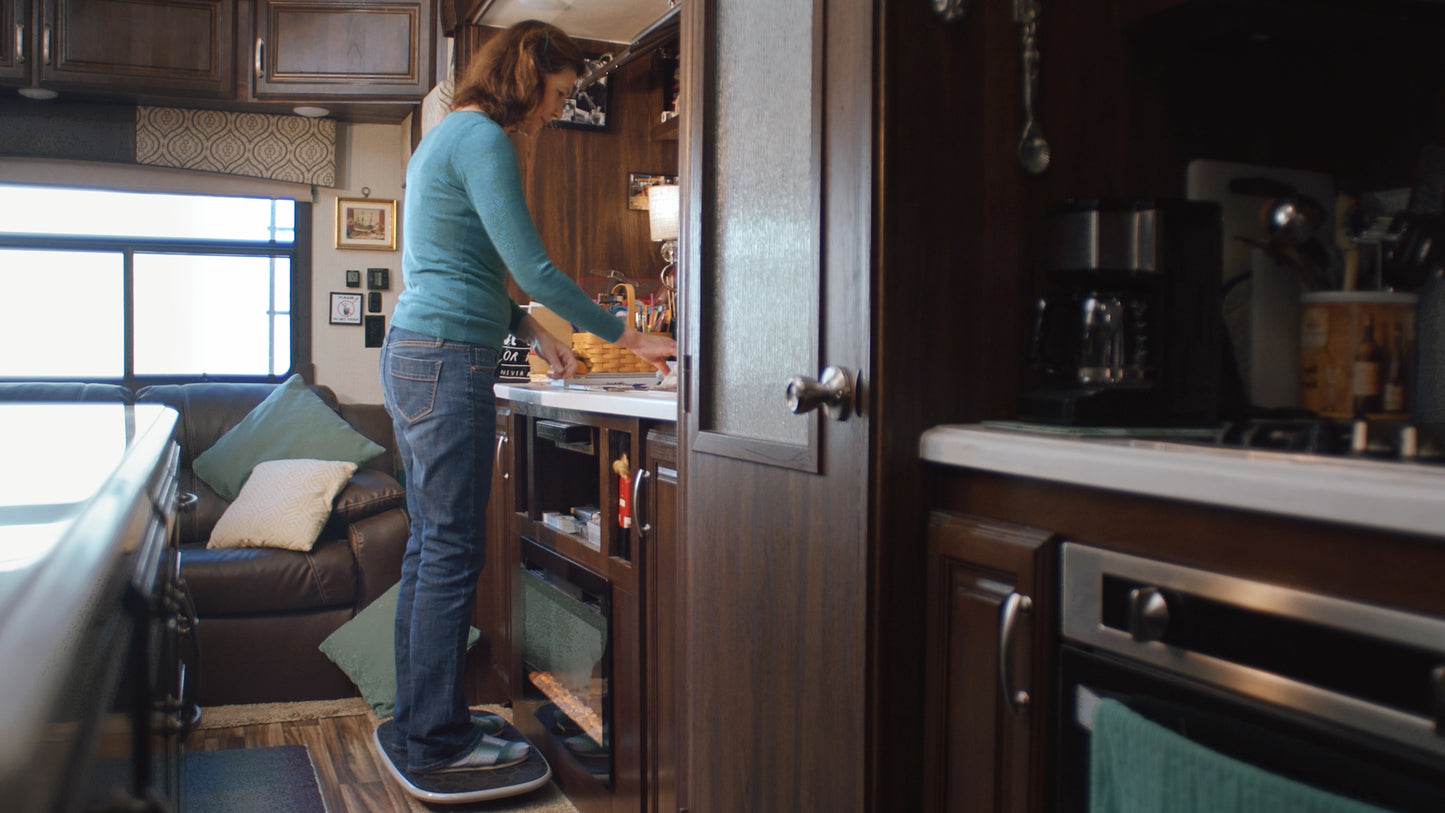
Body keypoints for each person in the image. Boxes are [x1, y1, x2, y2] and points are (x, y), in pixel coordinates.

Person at [379, 19, 676, 776]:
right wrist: (631, 336)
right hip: (446, 359)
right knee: (451, 550)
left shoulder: (449, 135)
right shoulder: (483, 140)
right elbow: (535, 269)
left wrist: (532, 331)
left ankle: (418, 724)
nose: (556, 108)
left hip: (419, 352)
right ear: (527, 73)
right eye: (558, 92)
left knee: (430, 546)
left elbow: (468, 267)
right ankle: (438, 741)